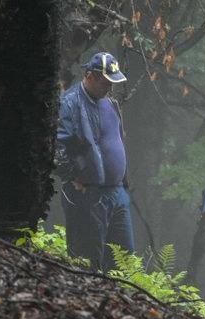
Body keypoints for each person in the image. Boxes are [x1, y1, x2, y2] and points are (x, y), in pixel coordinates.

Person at [54, 52, 134, 273]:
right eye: (105, 82)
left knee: (123, 262)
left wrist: (124, 185)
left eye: (112, 83)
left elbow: (118, 142)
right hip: (86, 194)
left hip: (117, 194)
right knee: (86, 261)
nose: (109, 87)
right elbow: (56, 146)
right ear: (89, 76)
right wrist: (73, 176)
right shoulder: (69, 104)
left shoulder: (111, 104)